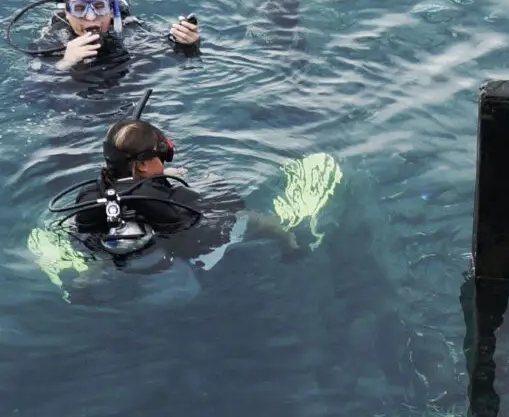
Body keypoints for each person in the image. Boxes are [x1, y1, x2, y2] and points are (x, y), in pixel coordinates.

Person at [28, 109, 343, 300]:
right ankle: (291, 240)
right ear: (142, 165)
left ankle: (79, 282)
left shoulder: (90, 199)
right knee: (253, 218)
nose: (165, 161)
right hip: (189, 260)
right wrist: (288, 246)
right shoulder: (180, 197)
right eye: (162, 155)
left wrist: (157, 177)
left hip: (118, 258)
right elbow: (232, 212)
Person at [32, 0, 200, 76]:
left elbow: (168, 58)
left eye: (99, 7)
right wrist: (65, 63)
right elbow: (32, 92)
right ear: (66, 13)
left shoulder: (130, 28)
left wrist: (187, 44)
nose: (91, 17)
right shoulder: (53, 39)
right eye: (79, 9)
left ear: (112, 10)